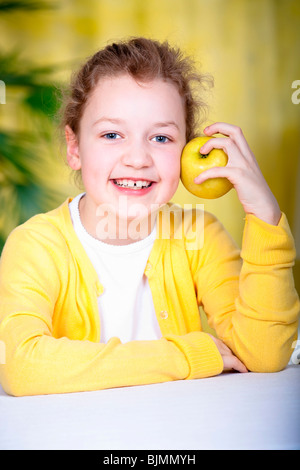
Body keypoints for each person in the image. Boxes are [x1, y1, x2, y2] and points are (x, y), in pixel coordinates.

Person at [0, 37, 299, 397]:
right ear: (75, 147)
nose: (138, 158)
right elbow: (21, 366)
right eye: (112, 134)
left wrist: (264, 215)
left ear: (186, 150)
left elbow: (265, 354)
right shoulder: (36, 245)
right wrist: (188, 354)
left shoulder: (198, 233)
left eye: (160, 138)